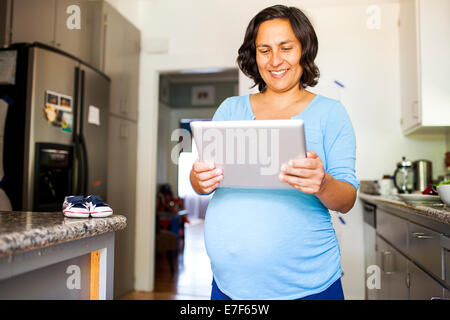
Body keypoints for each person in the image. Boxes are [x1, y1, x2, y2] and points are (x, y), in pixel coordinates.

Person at [190, 5, 359, 300]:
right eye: (264, 50)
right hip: (229, 287)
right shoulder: (230, 109)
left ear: (304, 50)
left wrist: (322, 183)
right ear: (254, 56)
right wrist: (197, 179)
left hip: (309, 287)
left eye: (286, 48)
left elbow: (346, 200)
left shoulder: (331, 113)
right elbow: (201, 181)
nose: (275, 60)